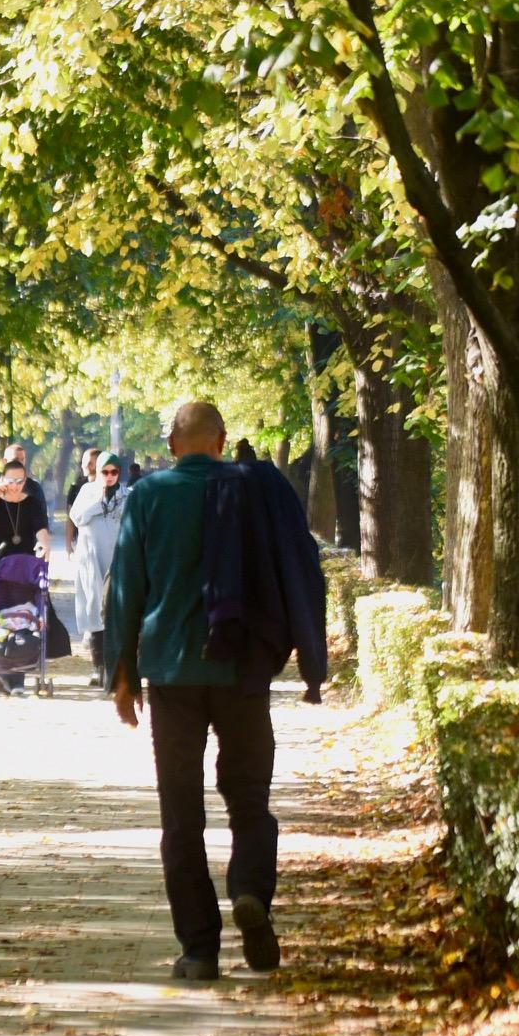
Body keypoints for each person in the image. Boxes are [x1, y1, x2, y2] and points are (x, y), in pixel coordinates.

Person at [107, 399, 315, 982]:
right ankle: (249, 889)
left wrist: (121, 673)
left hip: (172, 674)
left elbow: (126, 587)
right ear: (221, 441)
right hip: (241, 671)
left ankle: (199, 950)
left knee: (181, 814)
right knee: (250, 798)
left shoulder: (147, 497)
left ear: (172, 445)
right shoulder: (253, 492)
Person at [70, 452, 129, 686]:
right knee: (95, 610)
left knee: (117, 611)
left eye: (114, 472)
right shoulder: (87, 492)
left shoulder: (127, 495)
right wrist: (99, 503)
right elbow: (77, 517)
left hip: (116, 559)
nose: (110, 476)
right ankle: (97, 667)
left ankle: (118, 667)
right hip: (91, 560)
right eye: (105, 472)